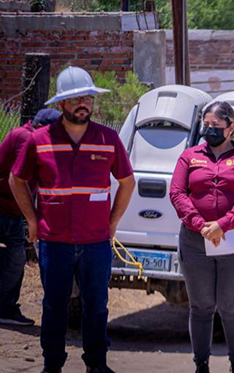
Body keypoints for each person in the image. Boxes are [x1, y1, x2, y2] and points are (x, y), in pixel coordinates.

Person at [9, 67, 135, 373]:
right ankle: (52, 365)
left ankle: (97, 364)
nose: (84, 104)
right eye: (76, 99)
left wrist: (113, 223)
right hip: (55, 242)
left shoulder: (107, 139)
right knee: (54, 306)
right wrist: (32, 220)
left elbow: (128, 182)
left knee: (97, 306)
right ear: (61, 103)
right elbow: (16, 180)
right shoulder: (39, 140)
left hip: (96, 242)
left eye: (88, 98)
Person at [169, 101, 234, 373]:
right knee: (200, 307)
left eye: (216, 125)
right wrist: (200, 225)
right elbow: (177, 193)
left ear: (231, 127)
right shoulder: (189, 156)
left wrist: (223, 225)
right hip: (194, 240)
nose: (209, 129)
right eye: (206, 124)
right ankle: (201, 364)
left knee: (232, 307)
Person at [0, 108, 61, 326]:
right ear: (41, 128)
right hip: (3, 207)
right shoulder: (26, 138)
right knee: (15, 258)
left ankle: (5, 308)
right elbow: (21, 178)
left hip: (13, 212)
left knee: (16, 258)